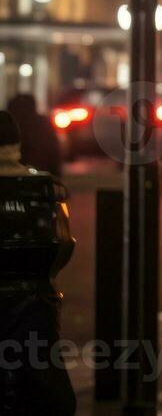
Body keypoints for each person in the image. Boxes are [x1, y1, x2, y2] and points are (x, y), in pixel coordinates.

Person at [0, 111, 76, 415]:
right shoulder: (45, 187)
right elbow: (63, 245)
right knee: (40, 383)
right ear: (17, 143)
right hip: (35, 301)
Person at [5, 93, 61, 177]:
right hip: (39, 178)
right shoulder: (43, 124)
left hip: (13, 178)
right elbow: (54, 152)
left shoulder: (8, 125)